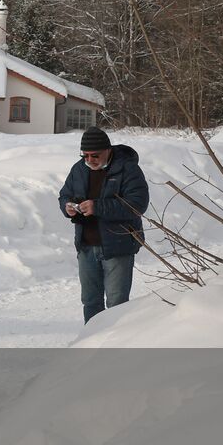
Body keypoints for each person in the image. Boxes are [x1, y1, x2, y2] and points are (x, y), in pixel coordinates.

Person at [58, 127, 149, 323]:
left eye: (95, 155)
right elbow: (64, 194)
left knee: (117, 303)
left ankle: (115, 346)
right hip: (86, 247)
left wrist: (98, 207)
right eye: (85, 155)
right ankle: (91, 346)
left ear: (108, 150)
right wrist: (67, 207)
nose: (90, 160)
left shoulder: (128, 168)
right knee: (90, 302)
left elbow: (137, 205)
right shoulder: (79, 169)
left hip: (118, 247)